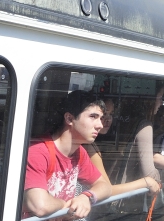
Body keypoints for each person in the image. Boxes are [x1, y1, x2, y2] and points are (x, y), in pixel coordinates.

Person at [22, 90, 112, 219]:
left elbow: (105, 186)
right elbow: (40, 206)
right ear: (69, 118)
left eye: (101, 118)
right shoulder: (38, 151)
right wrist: (66, 205)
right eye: (93, 117)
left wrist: (86, 197)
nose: (100, 125)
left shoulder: (79, 152)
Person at [84, 98, 162, 205]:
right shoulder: (88, 147)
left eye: (111, 114)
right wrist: (145, 182)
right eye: (100, 116)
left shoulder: (99, 144)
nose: (106, 121)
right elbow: (108, 190)